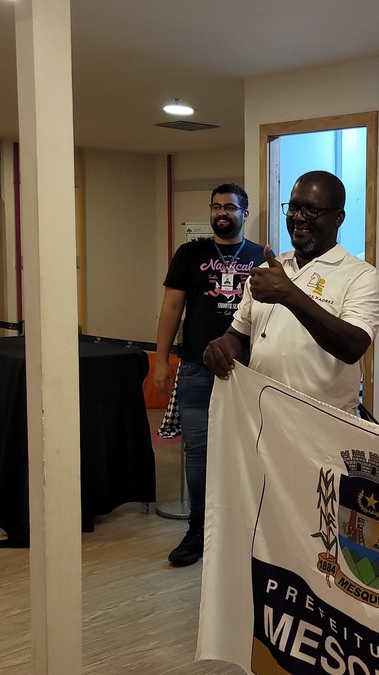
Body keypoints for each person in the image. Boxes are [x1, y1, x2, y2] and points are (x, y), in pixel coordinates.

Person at [204, 170, 379, 414]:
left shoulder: (360, 275)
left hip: (325, 421)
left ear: (338, 218)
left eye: (311, 210)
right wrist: (224, 348)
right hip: (263, 415)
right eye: (294, 208)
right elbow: (240, 336)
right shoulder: (267, 271)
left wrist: (289, 294)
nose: (298, 217)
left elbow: (352, 347)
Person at [155, 183, 266, 567]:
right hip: (196, 368)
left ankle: (244, 528)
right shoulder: (190, 254)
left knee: (251, 450)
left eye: (230, 207)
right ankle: (199, 529)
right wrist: (161, 361)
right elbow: (172, 308)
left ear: (244, 213)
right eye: (216, 207)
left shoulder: (261, 258)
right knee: (198, 453)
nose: (222, 213)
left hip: (249, 373)